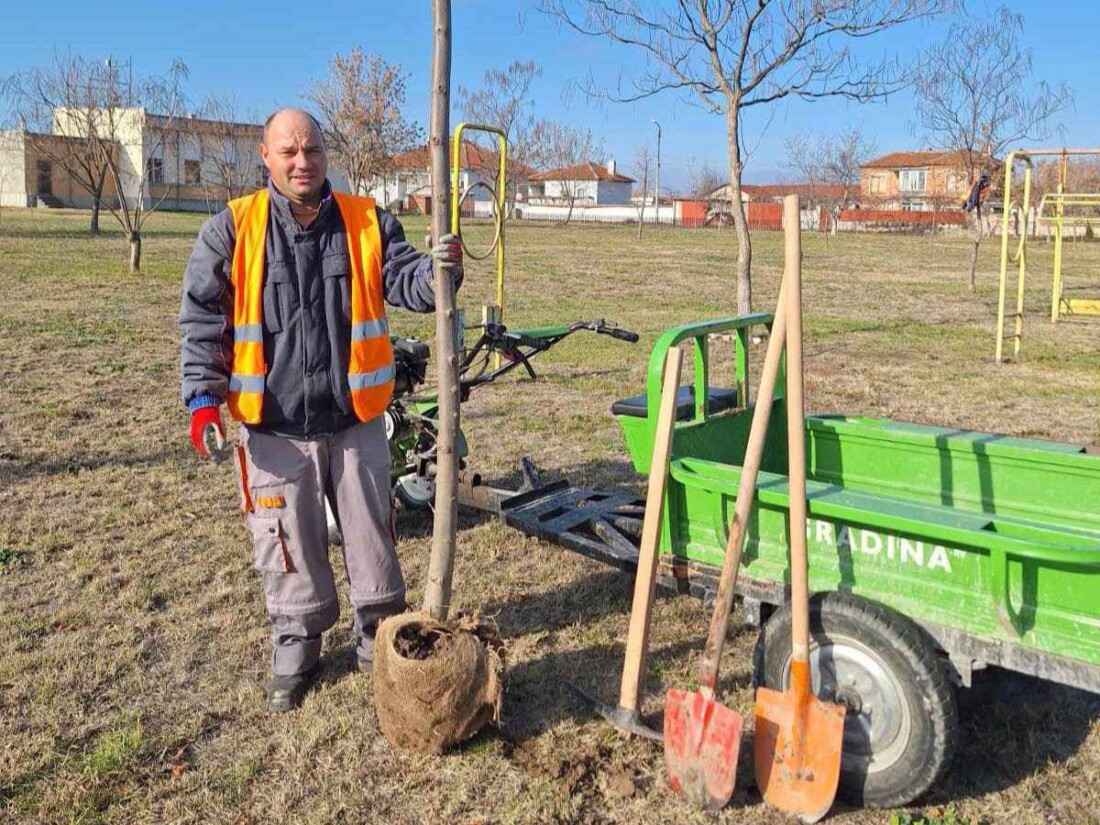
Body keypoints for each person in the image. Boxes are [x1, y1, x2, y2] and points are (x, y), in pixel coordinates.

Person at [179, 108, 462, 712]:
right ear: (266, 156)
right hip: (274, 428)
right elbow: (202, 322)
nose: (302, 161)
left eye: (311, 150)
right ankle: (296, 648)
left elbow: (405, 278)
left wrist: (439, 271)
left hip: (355, 421)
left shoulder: (366, 221)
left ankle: (378, 639)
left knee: (372, 541)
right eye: (288, 152)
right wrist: (203, 402)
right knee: (287, 545)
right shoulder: (231, 230)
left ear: (325, 153)